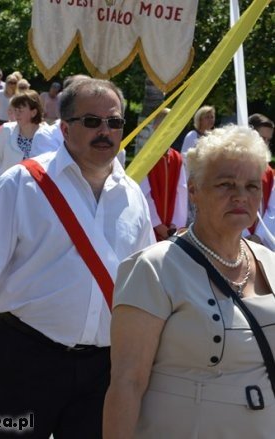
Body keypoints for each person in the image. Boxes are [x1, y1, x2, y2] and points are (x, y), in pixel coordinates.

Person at [0, 78, 155, 437]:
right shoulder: (20, 183)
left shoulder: (133, 196)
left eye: (114, 123)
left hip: (103, 367)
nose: (105, 131)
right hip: (27, 357)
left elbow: (141, 282)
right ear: (66, 128)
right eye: (92, 122)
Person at [104, 124, 275, 438]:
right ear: (194, 190)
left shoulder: (270, 262)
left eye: (252, 186)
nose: (241, 196)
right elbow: (127, 383)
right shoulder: (153, 268)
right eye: (226, 184)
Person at [0, 90, 48, 197]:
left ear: (34, 112)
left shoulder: (48, 135)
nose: (16, 114)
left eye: (21, 110)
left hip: (34, 197)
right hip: (5, 194)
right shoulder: (6, 130)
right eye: (15, 109)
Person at [140, 108, 188, 241]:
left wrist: (176, 224)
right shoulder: (147, 156)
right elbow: (144, 193)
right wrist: (156, 224)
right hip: (151, 226)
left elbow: (181, 191)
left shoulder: (176, 158)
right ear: (156, 128)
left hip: (171, 229)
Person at [246, 113, 274, 249]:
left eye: (268, 140)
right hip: (234, 235)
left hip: (259, 240)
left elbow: (272, 210)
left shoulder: (268, 172)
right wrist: (243, 233)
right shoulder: (229, 167)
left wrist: (259, 236)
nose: (265, 144)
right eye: (262, 138)